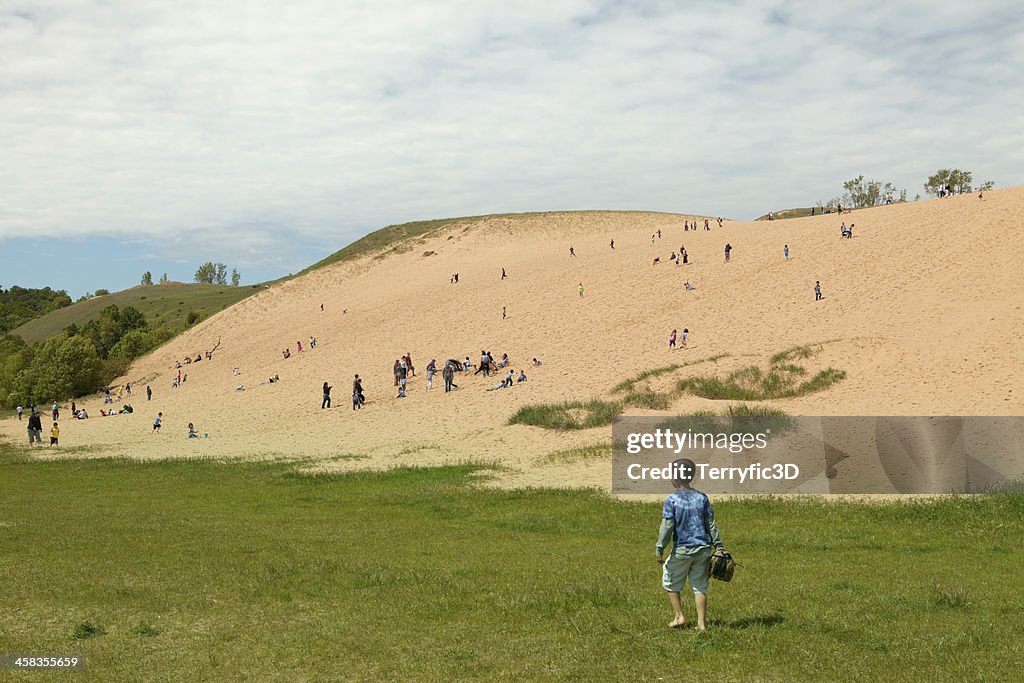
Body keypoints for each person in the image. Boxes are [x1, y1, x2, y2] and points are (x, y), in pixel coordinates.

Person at [656, 458, 727, 632]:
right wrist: (719, 546)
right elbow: (711, 524)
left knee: (670, 579)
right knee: (700, 585)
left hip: (682, 549)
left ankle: (679, 616)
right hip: (703, 549)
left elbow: (667, 526)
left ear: (676, 478)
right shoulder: (702, 498)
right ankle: (702, 624)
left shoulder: (671, 500)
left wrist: (660, 548)